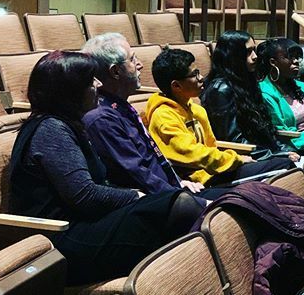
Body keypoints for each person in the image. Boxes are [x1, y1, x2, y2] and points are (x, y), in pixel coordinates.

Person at [9, 51, 205, 285]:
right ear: (70, 91)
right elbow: (85, 195)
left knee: (174, 202)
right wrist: (136, 196)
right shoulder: (51, 130)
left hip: (86, 225)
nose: (98, 84)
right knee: (177, 205)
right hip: (63, 240)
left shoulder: (68, 124)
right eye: (90, 80)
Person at [82, 33, 225, 200]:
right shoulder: (103, 119)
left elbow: (153, 159)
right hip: (156, 202)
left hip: (172, 190)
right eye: (132, 59)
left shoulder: (121, 106)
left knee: (248, 194)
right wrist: (179, 195)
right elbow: (136, 172)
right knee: (239, 201)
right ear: (115, 71)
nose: (140, 65)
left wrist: (179, 182)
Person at [145, 48, 292, 186]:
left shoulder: (196, 110)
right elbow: (193, 153)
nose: (201, 78)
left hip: (216, 170)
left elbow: (211, 146)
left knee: (284, 164)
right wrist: (236, 159)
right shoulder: (163, 116)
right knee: (284, 166)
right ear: (176, 86)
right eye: (194, 74)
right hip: (199, 181)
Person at [200, 31, 299, 162]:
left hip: (259, 153)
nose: (255, 56)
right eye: (248, 52)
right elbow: (234, 140)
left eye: (254, 50)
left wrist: (281, 150)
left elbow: (264, 129)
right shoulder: (220, 90)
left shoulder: (246, 83)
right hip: (240, 158)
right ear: (233, 56)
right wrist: (274, 155)